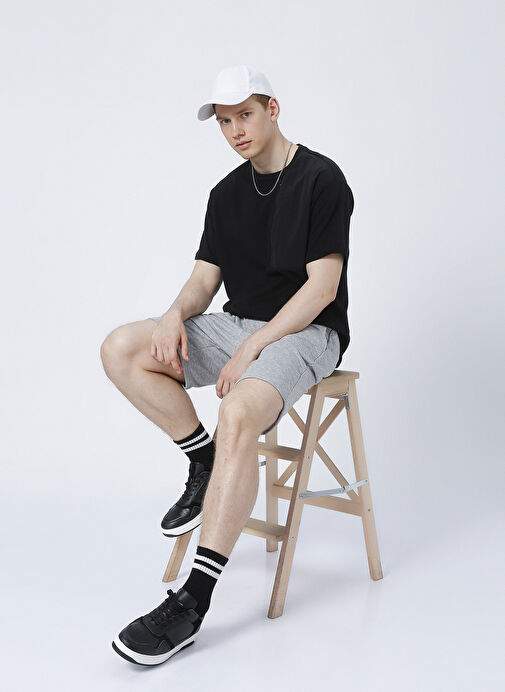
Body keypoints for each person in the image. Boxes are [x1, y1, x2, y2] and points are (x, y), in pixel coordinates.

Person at [100, 64, 354, 666]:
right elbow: (204, 278)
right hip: (239, 325)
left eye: (245, 115)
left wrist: (252, 349)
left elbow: (321, 288)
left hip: (309, 333)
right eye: (224, 121)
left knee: (237, 410)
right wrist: (172, 315)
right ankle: (204, 459)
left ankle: (193, 599)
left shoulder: (321, 179)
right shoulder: (225, 193)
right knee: (122, 348)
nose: (236, 130)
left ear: (272, 109)